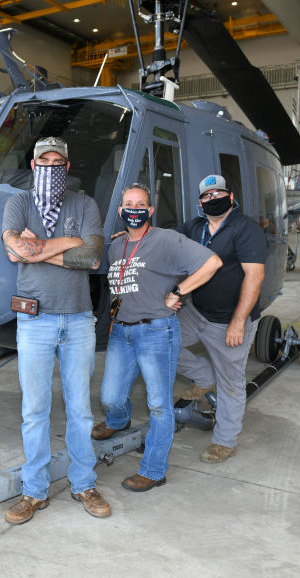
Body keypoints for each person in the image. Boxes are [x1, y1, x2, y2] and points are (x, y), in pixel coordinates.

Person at [0, 136, 109, 524]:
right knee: (35, 410)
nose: (50, 166)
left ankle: (84, 484)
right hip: (34, 321)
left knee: (80, 411)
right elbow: (14, 250)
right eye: (42, 160)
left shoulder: (84, 203)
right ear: (33, 166)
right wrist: (68, 245)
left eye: (56, 161)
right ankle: (35, 491)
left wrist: (39, 247)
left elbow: (93, 255)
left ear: (66, 166)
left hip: (78, 319)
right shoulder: (19, 203)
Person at [91, 184, 221, 492]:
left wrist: (177, 292)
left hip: (156, 332)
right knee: (110, 397)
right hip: (122, 330)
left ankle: (153, 470)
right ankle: (118, 420)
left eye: (141, 204)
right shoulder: (116, 246)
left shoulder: (166, 240)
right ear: (121, 211)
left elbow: (212, 262)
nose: (134, 209)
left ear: (150, 211)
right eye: (128, 204)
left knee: (159, 405)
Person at [176, 174, 267, 463]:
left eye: (219, 194)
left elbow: (255, 276)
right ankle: (203, 377)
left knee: (231, 382)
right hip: (197, 312)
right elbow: (164, 241)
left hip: (228, 320)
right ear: (200, 202)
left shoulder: (245, 229)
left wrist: (239, 321)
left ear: (230, 196)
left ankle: (224, 440)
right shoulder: (195, 226)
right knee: (162, 341)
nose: (213, 199)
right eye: (207, 196)